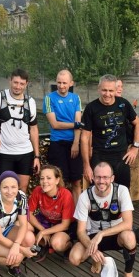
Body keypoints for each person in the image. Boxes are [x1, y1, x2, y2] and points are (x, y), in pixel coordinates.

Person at [69, 162, 137, 277]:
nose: (101, 181)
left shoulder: (122, 191)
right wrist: (92, 248)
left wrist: (102, 234)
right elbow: (80, 231)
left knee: (129, 236)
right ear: (93, 177)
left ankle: (128, 273)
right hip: (93, 236)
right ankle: (97, 258)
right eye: (98, 177)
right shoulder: (85, 196)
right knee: (74, 258)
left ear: (112, 178)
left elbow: (128, 223)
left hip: (117, 235)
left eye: (105, 177)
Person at [0, 68, 40, 191]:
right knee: (0, 189)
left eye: (21, 84)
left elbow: (34, 129)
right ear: (10, 81)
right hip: (3, 152)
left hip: (25, 152)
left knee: (22, 189)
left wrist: (37, 156)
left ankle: (20, 211)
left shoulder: (30, 102)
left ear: (26, 84)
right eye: (15, 82)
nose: (18, 86)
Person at [81, 74, 139, 188]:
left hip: (121, 156)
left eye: (111, 90)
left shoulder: (123, 104)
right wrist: (86, 166)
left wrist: (135, 147)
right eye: (104, 90)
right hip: (99, 156)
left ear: (116, 90)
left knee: (122, 193)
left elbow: (138, 123)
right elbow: (84, 138)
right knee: (98, 193)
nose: (107, 94)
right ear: (99, 89)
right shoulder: (91, 108)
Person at [43, 70, 83, 204]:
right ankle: (63, 213)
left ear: (71, 83)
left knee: (77, 180)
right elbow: (54, 124)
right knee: (61, 181)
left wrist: (76, 143)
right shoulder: (49, 98)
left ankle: (78, 214)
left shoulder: (76, 98)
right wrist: (76, 124)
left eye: (64, 83)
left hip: (73, 143)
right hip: (58, 144)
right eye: (59, 82)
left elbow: (79, 122)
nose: (61, 86)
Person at [28, 165, 75, 261]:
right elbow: (28, 214)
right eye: (42, 178)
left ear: (57, 180)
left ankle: (69, 245)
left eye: (49, 178)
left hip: (62, 225)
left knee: (57, 244)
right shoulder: (37, 190)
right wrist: (42, 230)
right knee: (22, 224)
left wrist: (44, 232)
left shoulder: (66, 195)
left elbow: (65, 225)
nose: (45, 181)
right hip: (45, 221)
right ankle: (42, 245)